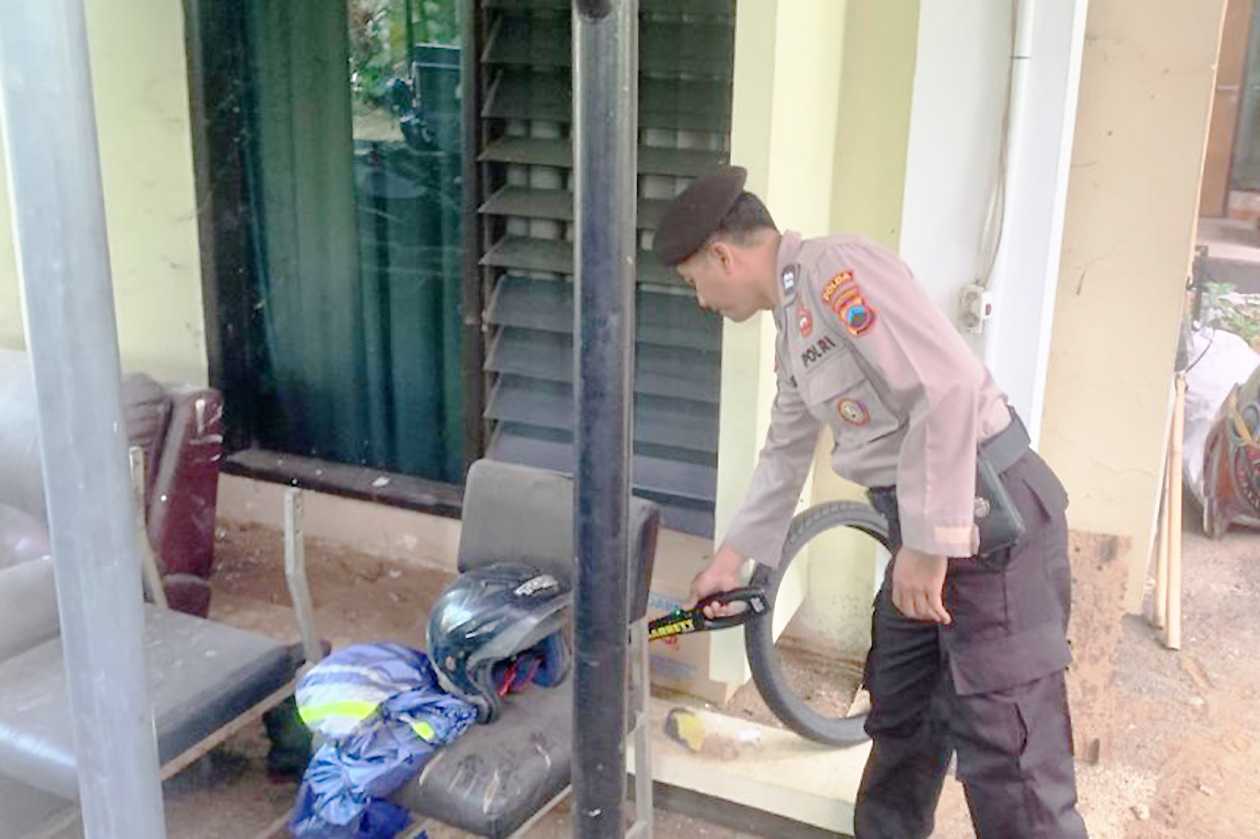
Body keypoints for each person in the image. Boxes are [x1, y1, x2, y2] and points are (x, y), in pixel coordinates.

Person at [654, 165, 1088, 838]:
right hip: (924, 520)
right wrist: (730, 558)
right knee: (902, 719)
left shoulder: (837, 269)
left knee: (1012, 761)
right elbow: (785, 450)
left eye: (694, 285)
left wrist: (925, 543)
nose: (702, 303)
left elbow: (943, 387)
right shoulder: (796, 324)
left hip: (984, 522)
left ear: (722, 255)